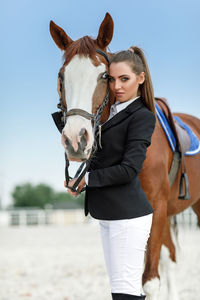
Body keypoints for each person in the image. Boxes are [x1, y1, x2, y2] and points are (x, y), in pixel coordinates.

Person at [67, 46, 156, 300]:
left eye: (124, 79)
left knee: (125, 292)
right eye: (112, 79)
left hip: (128, 216)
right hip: (108, 213)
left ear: (141, 79)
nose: (117, 86)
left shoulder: (142, 117)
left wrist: (88, 180)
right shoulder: (105, 115)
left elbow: (129, 169)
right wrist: (78, 180)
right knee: (121, 290)